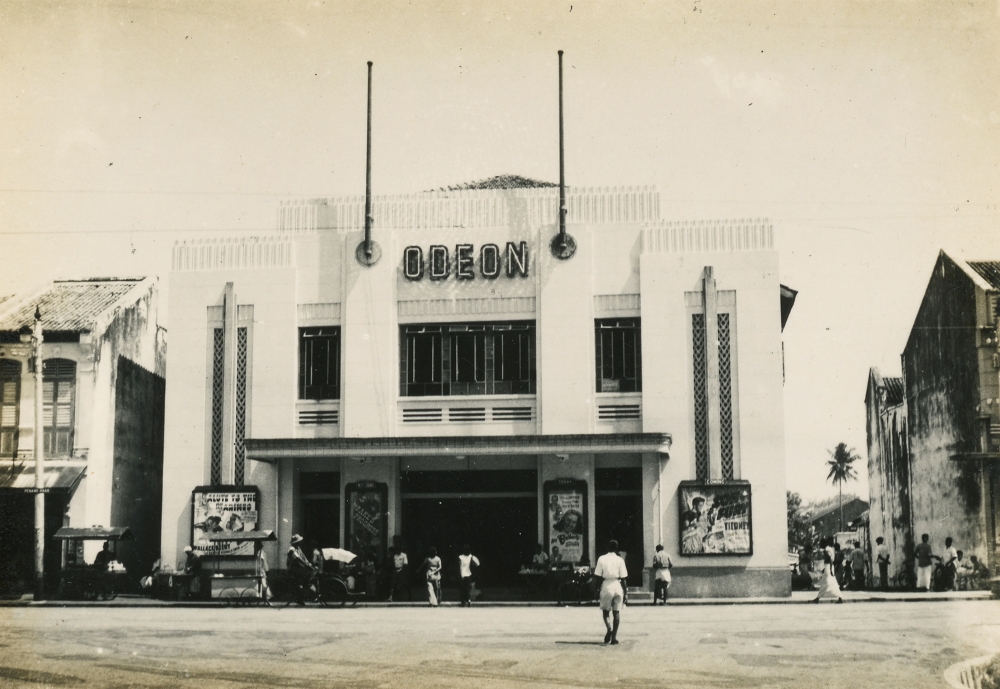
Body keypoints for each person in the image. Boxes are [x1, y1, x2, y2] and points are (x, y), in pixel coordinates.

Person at [594, 539, 628, 645]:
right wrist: (625, 592)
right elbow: (624, 578)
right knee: (616, 612)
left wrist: (597, 589)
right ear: (616, 548)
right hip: (617, 585)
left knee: (605, 611)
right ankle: (614, 638)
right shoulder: (620, 560)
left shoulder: (601, 559)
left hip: (606, 585)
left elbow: (597, 576)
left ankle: (609, 628)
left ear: (607, 547)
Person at [286, 534, 317, 605]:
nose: (300, 542)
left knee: (307, 580)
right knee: (300, 583)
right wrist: (306, 565)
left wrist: (308, 564)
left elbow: (303, 557)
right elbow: (298, 559)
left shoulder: (298, 548)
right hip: (293, 570)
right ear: (296, 542)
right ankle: (299, 598)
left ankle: (302, 596)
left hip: (299, 569)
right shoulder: (291, 550)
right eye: (299, 541)